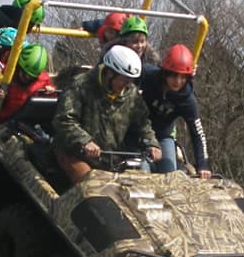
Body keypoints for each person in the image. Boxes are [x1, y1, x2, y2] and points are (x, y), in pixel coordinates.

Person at [53, 45, 162, 184]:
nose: (127, 85)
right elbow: (63, 120)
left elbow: (143, 124)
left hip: (110, 157)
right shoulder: (80, 85)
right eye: (124, 80)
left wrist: (152, 144)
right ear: (109, 73)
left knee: (140, 185)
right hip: (75, 153)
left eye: (131, 81)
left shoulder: (131, 94)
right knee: (91, 185)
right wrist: (85, 141)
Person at [140, 44, 212, 179]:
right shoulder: (147, 75)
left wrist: (203, 164)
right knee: (141, 170)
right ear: (165, 72)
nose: (178, 82)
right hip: (137, 133)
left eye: (183, 77)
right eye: (173, 76)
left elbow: (197, 133)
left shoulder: (187, 100)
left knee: (170, 174)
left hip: (163, 136)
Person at [0, 42, 55, 123]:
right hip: (1, 121)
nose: (27, 78)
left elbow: (50, 102)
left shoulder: (43, 80)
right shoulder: (4, 75)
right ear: (19, 66)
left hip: (25, 122)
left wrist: (50, 93)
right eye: (25, 74)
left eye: (31, 77)